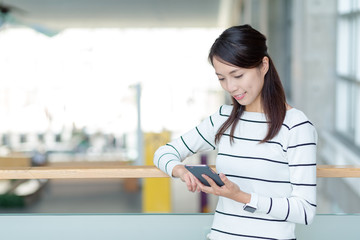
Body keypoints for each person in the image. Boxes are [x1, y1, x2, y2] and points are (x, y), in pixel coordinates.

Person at [153, 24, 317, 240]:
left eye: (237, 75)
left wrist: (240, 196)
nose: (230, 87)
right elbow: (163, 153)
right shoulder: (223, 118)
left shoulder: (295, 126)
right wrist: (181, 171)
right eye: (221, 78)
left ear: (264, 65)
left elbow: (305, 211)